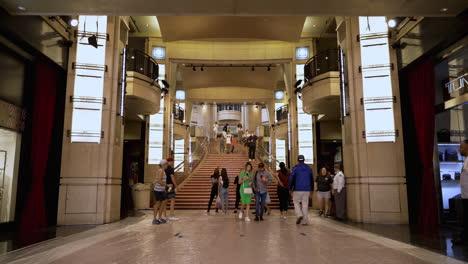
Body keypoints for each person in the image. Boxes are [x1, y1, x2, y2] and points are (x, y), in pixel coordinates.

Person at [289, 155, 314, 225]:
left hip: (297, 188)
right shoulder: (309, 168)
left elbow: (291, 179)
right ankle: (305, 221)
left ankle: (299, 214)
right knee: (305, 204)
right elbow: (312, 179)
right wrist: (312, 189)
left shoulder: (295, 168)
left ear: (298, 160)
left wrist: (290, 188)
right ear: (304, 160)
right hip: (307, 189)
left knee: (296, 202)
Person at [453, 140, 468, 245]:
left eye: (462, 147)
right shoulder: (466, 159)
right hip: (465, 195)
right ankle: (464, 237)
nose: (459, 149)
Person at [153, 160, 173, 225]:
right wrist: (167, 185)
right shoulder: (161, 171)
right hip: (158, 190)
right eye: (167, 164)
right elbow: (159, 181)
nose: (167, 166)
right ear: (164, 165)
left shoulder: (163, 171)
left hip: (162, 190)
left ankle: (159, 218)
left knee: (163, 202)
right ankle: (154, 219)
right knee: (158, 204)